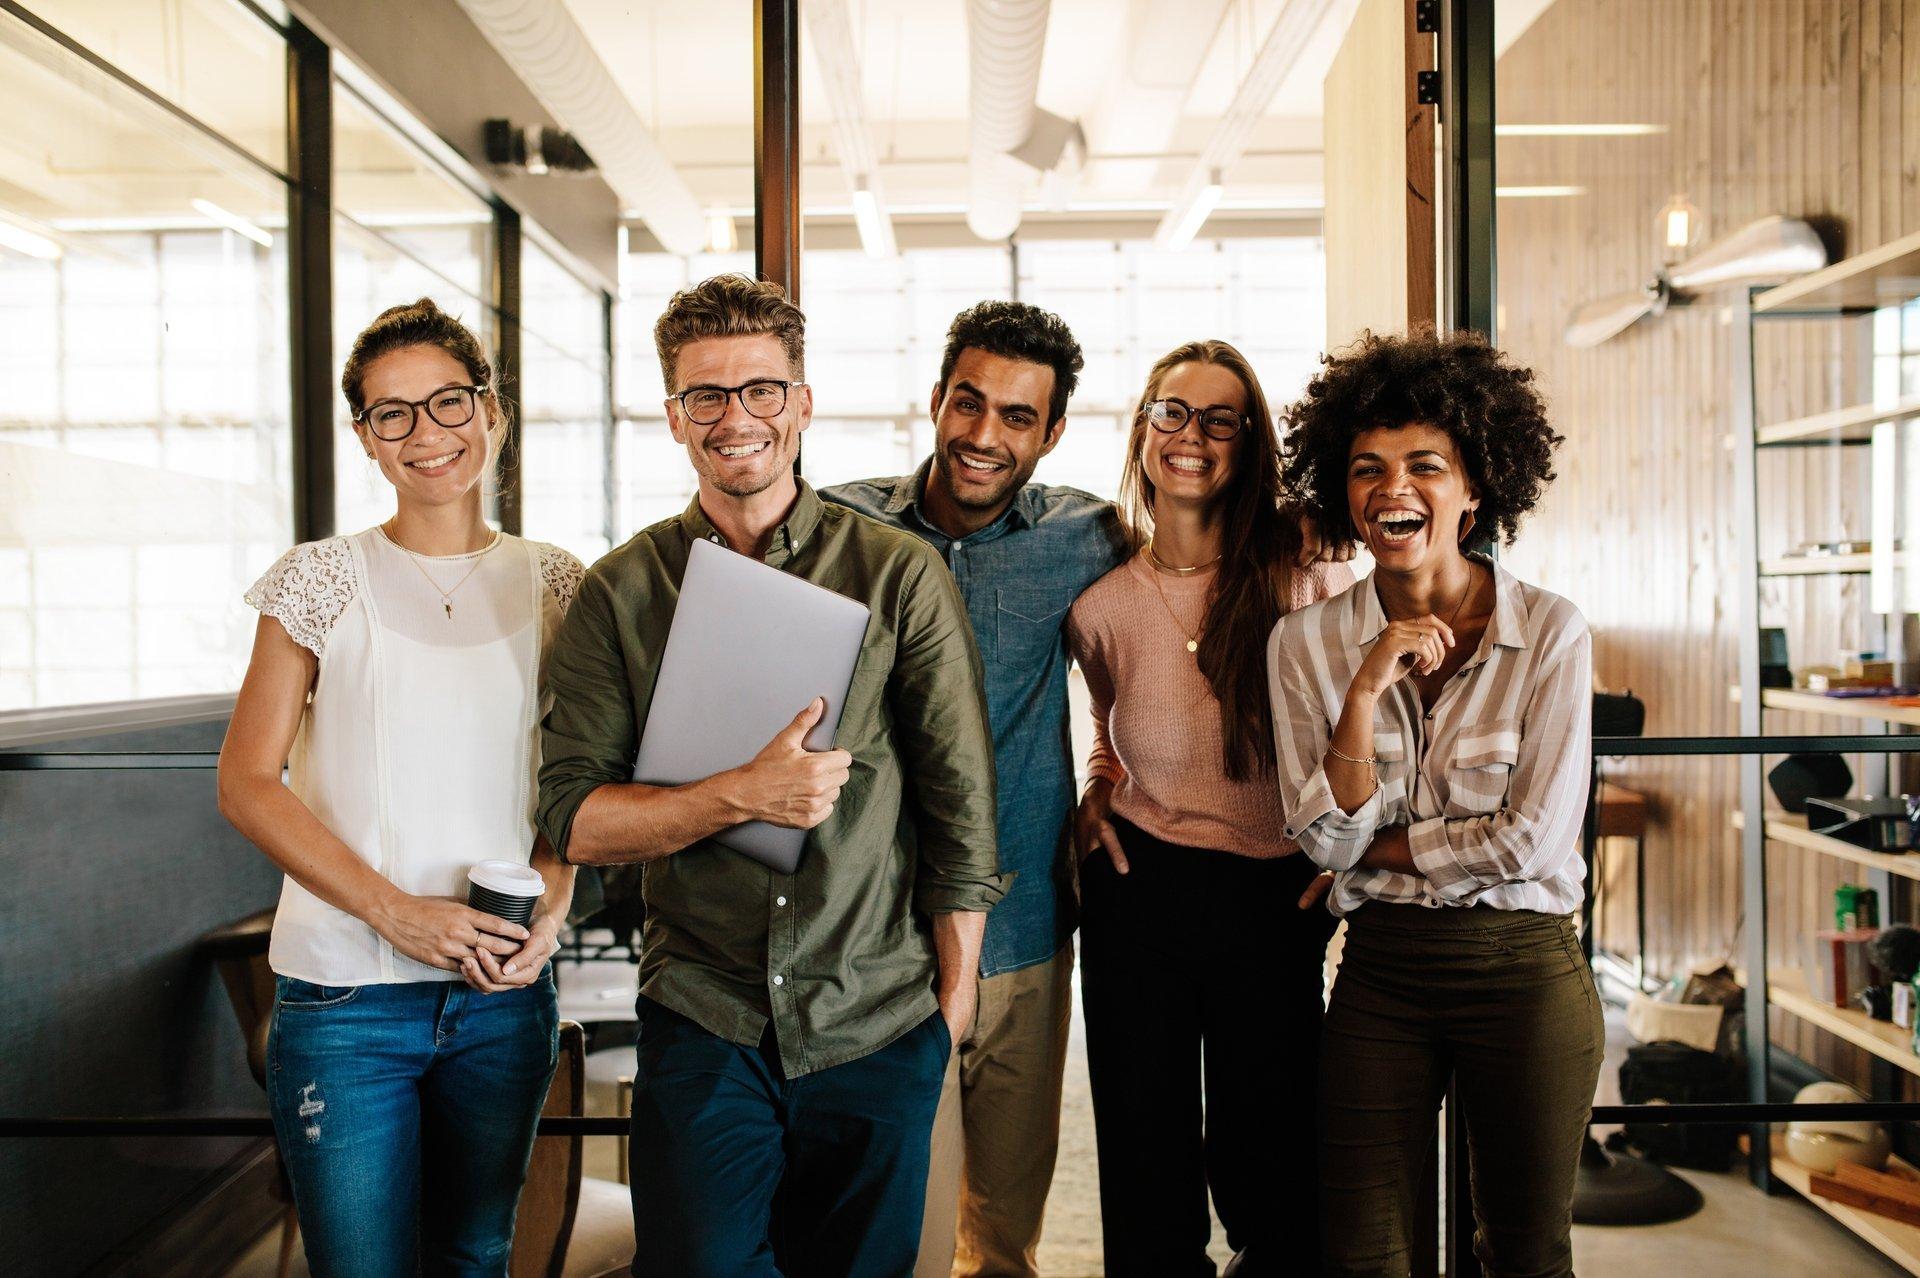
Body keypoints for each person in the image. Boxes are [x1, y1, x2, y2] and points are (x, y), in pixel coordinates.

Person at [535, 273, 1004, 1278]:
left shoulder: (896, 574)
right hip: (708, 1020)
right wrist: (739, 796)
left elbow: (961, 815)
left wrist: (946, 1021)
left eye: (759, 389)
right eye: (706, 395)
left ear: (801, 403)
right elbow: (573, 819)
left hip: (876, 1020)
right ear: (673, 417)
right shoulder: (622, 591)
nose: (734, 417)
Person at [217, 298, 582, 1277]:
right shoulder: (318, 579)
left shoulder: (556, 582)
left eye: (449, 403)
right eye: (394, 414)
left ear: (492, 412)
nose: (428, 434)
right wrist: (395, 914)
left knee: (473, 1257)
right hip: (346, 999)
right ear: (366, 440)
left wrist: (556, 899)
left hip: (500, 998)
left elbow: (579, 781)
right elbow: (248, 783)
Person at [1268, 329, 1600, 1278]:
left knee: (1527, 1251)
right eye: (1366, 469)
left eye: (1424, 465)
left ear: (1477, 486)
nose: (1391, 489)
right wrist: (1366, 686)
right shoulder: (1306, 646)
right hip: (1383, 974)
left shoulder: (1552, 632)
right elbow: (1327, 841)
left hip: (1526, 968)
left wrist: (1375, 847)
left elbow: (1533, 841)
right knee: (1362, 1251)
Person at [824, 301, 1127, 1278]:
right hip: (875, 941)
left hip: (1028, 927)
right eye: (969, 403)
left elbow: (1179, 626)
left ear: (1052, 431)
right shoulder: (836, 529)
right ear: (937, 400)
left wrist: (1113, 770)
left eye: (1017, 417)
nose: (985, 436)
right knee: (886, 1230)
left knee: (1000, 1239)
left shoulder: (1088, 537)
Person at [1065, 340, 1351, 1278]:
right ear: (1144, 428)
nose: (1192, 436)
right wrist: (1096, 787)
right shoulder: (1101, 604)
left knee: (1273, 1163)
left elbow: (1363, 724)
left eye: (1220, 418)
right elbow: (1112, 724)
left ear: (1249, 441)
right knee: (1144, 1163)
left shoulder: (1304, 573)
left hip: (1275, 894)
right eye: (1172, 413)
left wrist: (1352, 848)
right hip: (1139, 888)